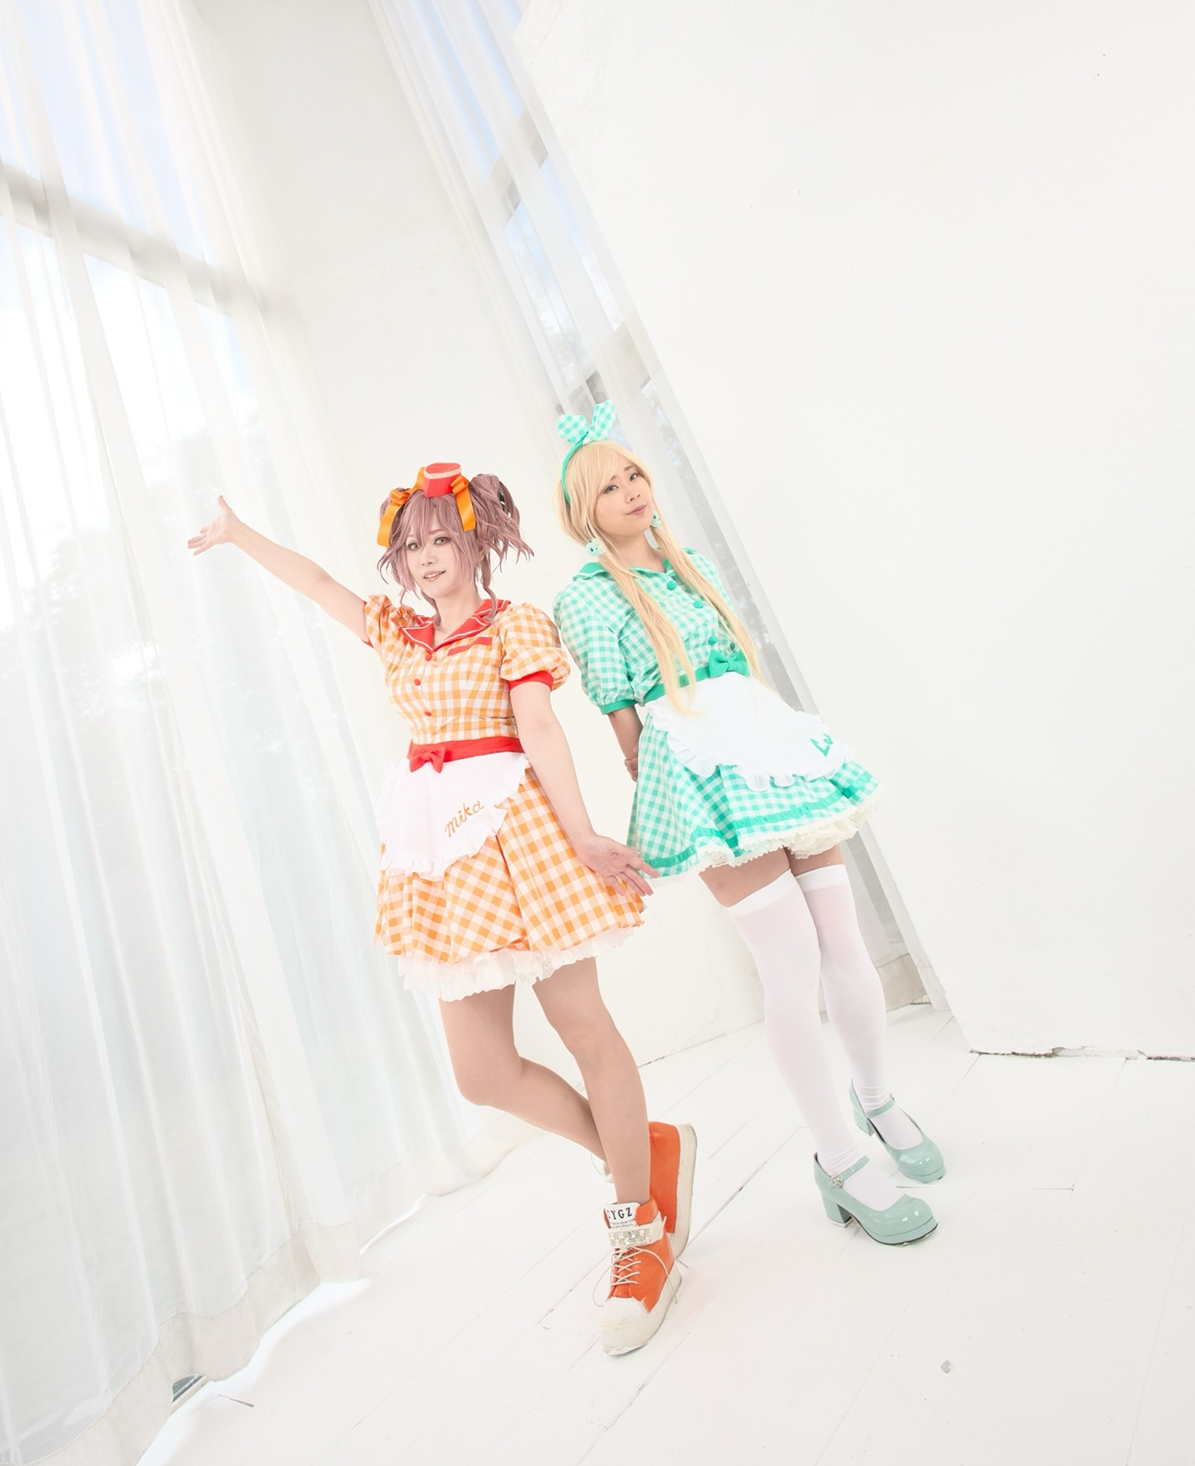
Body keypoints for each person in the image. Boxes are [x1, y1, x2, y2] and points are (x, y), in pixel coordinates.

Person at [188, 460, 695, 1350]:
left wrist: (582, 835)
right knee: (481, 1073)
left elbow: (539, 728)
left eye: (439, 540)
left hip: (520, 835)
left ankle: (637, 1230)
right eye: (410, 545)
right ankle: (640, 1151)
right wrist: (237, 535)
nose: (424, 557)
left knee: (584, 1028)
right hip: (442, 855)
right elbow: (317, 583)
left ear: (473, 542)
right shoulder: (397, 634)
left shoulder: (514, 625)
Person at [551, 404, 941, 1248]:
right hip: (695, 761)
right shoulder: (584, 596)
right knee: (790, 962)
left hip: (766, 741)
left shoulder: (687, 562)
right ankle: (838, 1161)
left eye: (634, 475)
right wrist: (668, 790)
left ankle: (876, 1102)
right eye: (610, 487)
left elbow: (738, 662)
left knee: (842, 940)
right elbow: (619, 711)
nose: (632, 491)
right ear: (583, 510)